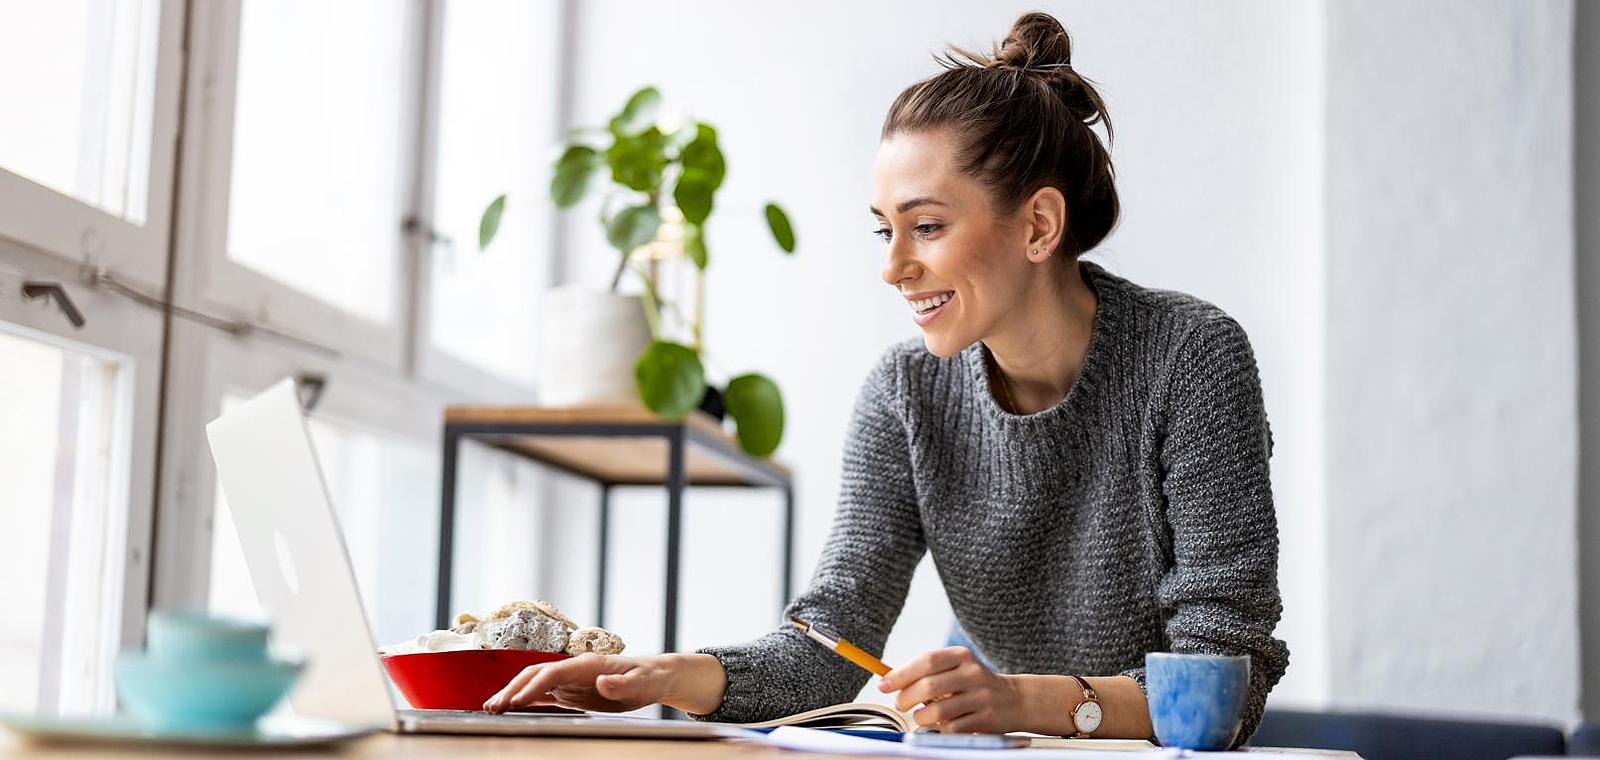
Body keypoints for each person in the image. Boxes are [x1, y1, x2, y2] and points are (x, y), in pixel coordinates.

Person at [484, 11, 1289, 746]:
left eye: (927, 227)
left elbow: (1223, 682)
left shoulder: (1192, 358)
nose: (893, 267)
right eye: (884, 230)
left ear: (1039, 225)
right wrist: (665, 678)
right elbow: (832, 643)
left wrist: (1016, 701)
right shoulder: (906, 394)